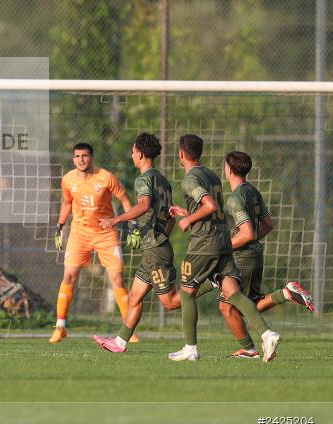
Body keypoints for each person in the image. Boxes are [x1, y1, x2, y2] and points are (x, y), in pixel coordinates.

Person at [166, 134, 280, 362]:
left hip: (203, 243)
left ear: (180, 154)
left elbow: (210, 205)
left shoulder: (189, 179)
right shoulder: (211, 175)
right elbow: (214, 210)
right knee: (233, 294)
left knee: (187, 293)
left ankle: (190, 348)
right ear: (200, 152)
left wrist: (188, 221)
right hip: (222, 242)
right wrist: (187, 211)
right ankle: (267, 334)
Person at [217, 150, 314, 359]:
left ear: (229, 170)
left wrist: (225, 247)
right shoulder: (253, 192)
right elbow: (268, 225)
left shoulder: (234, 199)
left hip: (241, 258)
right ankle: (286, 293)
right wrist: (250, 241)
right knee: (246, 305)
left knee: (226, 306)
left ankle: (250, 348)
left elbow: (247, 233)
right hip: (255, 255)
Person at [92, 133, 182, 353]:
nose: (132, 156)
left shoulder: (143, 179)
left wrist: (116, 219)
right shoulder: (163, 180)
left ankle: (209, 282)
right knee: (134, 296)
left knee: (169, 303)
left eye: (133, 152)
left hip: (155, 250)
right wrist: (162, 237)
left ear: (140, 154)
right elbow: (171, 215)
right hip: (154, 247)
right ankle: (120, 342)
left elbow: (143, 205)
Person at [50, 143, 134, 343]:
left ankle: (129, 330)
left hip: (106, 233)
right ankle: (60, 327)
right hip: (79, 233)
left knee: (117, 279)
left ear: (91, 157)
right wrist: (59, 226)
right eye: (77, 156)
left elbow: (124, 199)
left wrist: (133, 224)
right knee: (69, 277)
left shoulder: (106, 177)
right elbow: (67, 203)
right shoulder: (68, 179)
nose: (81, 159)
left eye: (85, 156)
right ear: (73, 159)